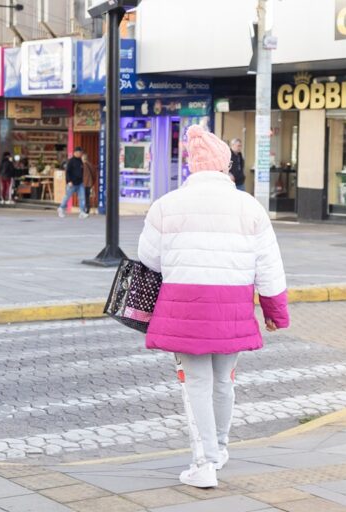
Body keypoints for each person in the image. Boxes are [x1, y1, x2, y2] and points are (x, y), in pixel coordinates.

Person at [137, 124, 290, 489]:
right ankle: (219, 449)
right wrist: (274, 311)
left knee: (196, 384)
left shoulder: (166, 206)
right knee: (224, 381)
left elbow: (149, 259)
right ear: (225, 167)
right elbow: (269, 265)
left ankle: (203, 463)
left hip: (185, 309)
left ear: (192, 166)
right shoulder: (249, 206)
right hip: (232, 307)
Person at [57, 146, 88, 219]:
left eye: (81, 153)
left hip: (80, 183)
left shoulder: (80, 161)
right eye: (79, 152)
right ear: (75, 153)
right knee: (67, 197)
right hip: (72, 183)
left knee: (82, 197)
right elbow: (67, 172)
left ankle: (82, 212)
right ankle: (61, 208)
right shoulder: (70, 161)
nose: (80, 154)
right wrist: (69, 181)